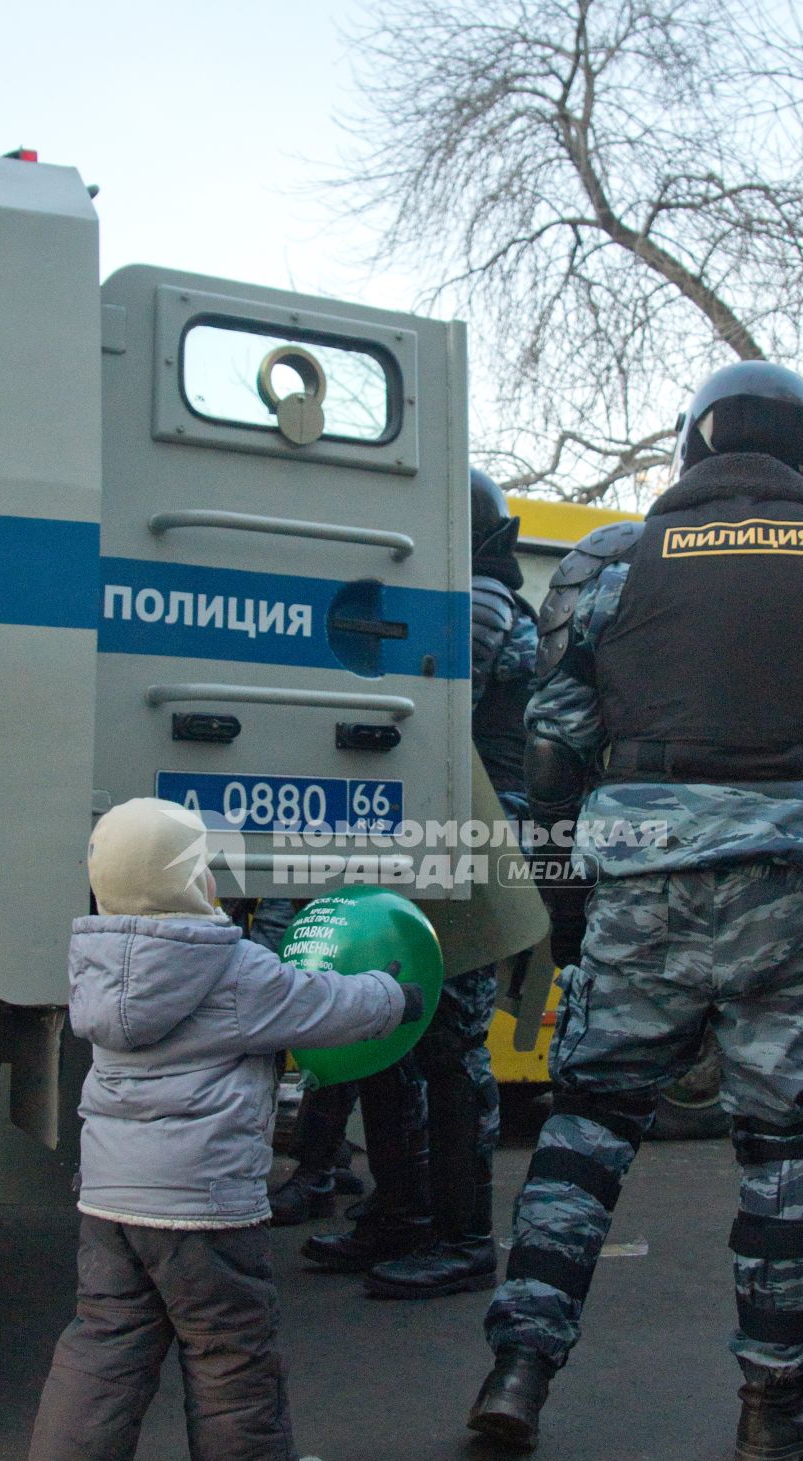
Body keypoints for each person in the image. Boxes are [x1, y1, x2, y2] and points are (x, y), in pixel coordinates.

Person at [467, 361, 803, 1461]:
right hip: (797, 884)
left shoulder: (607, 561)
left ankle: (518, 1371)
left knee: (585, 1129)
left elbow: (551, 752)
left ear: (691, 447)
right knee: (782, 1146)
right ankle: (773, 1409)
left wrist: (570, 910)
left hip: (639, 877)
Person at [21, 797, 421, 1461]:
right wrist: (393, 994)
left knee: (106, 1336)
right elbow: (323, 1004)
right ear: (193, 881)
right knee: (231, 1340)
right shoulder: (229, 966)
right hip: (200, 1201)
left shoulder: (99, 962)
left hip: (109, 1197)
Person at [296, 470, 538, 1300]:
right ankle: (403, 1214)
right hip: (425, 834)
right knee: (391, 1033)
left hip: (461, 840)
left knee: (448, 1047)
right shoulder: (462, 595)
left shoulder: (478, 603)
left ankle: (465, 1236)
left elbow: (418, 706)